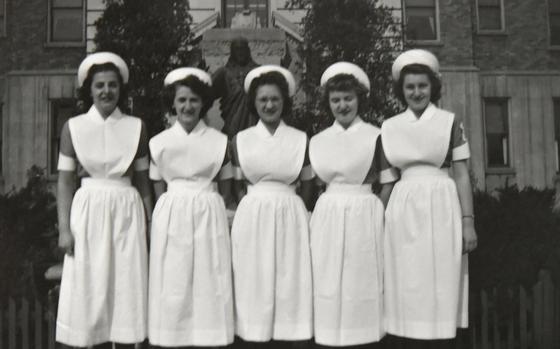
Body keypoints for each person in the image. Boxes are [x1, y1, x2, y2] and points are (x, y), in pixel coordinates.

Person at [381, 49, 478, 348]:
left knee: (440, 280)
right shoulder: (390, 127)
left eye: (422, 86)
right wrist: (377, 221)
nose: (416, 92)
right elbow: (387, 182)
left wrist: (467, 223)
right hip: (403, 208)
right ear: (402, 90)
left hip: (442, 204)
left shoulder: (450, 122)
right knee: (406, 279)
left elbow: (461, 174)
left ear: (432, 87)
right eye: (410, 87)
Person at [56, 52, 152, 349]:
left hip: (127, 211)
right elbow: (65, 181)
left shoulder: (137, 127)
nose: (107, 91)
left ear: (120, 89)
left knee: (126, 285)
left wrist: (149, 224)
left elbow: (144, 182)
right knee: (90, 285)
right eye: (100, 85)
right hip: (88, 212)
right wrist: (63, 228)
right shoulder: (73, 128)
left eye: (112, 85)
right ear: (90, 89)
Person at [309, 62, 398, 348]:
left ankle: (365, 338)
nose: (342, 105)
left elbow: (387, 183)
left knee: (361, 280)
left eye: (348, 98)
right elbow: (312, 186)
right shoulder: (318, 140)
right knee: (328, 278)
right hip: (329, 214)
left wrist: (376, 214)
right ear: (328, 103)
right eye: (336, 100)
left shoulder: (375, 136)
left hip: (364, 212)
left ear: (359, 99)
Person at [148, 67, 234, 348]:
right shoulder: (158, 143)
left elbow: (226, 188)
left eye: (194, 100)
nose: (188, 106)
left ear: (204, 103)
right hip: (172, 216)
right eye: (182, 100)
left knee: (210, 282)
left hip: (209, 215)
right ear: (173, 103)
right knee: (174, 285)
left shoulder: (220, 142)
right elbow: (158, 188)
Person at [230, 65, 314, 347]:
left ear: (284, 102)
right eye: (263, 100)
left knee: (289, 283)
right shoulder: (241, 141)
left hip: (291, 216)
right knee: (254, 282)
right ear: (254, 104)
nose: (269, 105)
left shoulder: (300, 139)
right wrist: (255, 209)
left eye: (275, 99)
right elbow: (237, 187)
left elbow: (308, 186)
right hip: (252, 216)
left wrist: (291, 211)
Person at [212, 36, 260, 138]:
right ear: (232, 52)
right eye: (237, 49)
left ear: (247, 50)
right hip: (232, 119)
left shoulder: (258, 71)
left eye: (242, 48)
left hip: (252, 121)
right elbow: (207, 90)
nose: (240, 52)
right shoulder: (224, 72)